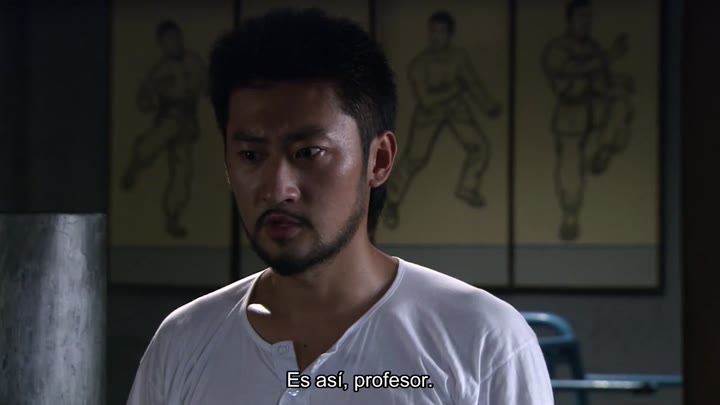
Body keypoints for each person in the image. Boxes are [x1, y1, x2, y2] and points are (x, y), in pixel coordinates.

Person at [127, 8, 553, 404]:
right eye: (251, 156)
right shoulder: (184, 341)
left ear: (378, 160)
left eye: (308, 153)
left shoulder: (480, 340)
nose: (278, 189)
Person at [383, 11, 502, 230]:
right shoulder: (419, 64)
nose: (436, 36)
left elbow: (472, 83)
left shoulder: (459, 57)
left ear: (449, 34)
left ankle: (467, 186)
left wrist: (487, 105)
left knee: (480, 146)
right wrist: (455, 90)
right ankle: (391, 201)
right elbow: (427, 100)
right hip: (429, 114)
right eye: (433, 31)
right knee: (415, 158)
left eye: (441, 32)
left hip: (456, 110)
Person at [541, 0, 634, 241]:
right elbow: (571, 71)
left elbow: (600, 81)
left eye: (589, 17)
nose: (586, 22)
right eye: (581, 17)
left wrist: (617, 83)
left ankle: (603, 151)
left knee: (621, 104)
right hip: (570, 114)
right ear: (570, 19)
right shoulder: (557, 48)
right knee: (570, 169)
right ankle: (570, 215)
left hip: (596, 114)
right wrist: (608, 56)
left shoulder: (594, 48)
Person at [120, 20, 208, 238]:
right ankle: (135, 164)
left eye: (174, 39)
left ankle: (173, 216)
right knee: (152, 143)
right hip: (169, 116)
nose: (172, 44)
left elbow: (208, 86)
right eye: (167, 41)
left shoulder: (194, 63)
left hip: (187, 120)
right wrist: (154, 97)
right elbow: (145, 100)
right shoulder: (160, 71)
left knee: (182, 170)